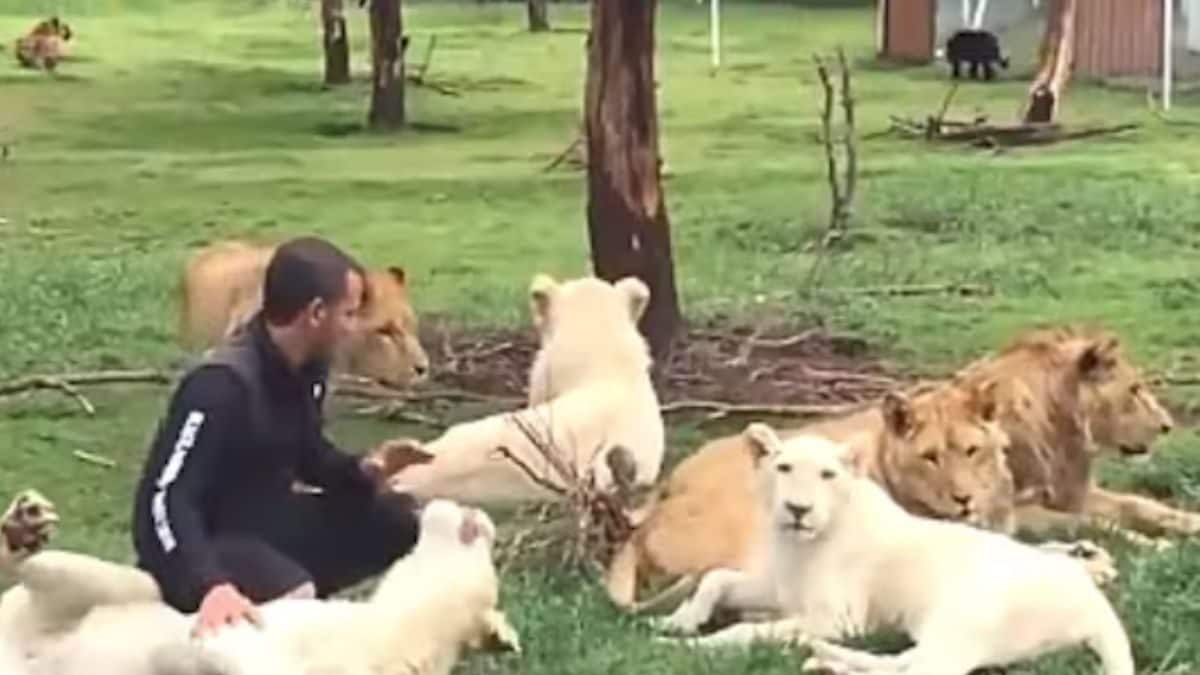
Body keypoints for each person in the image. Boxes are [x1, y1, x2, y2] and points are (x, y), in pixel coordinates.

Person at [131, 236, 425, 637]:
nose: (354, 326)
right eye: (350, 313)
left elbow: (308, 454)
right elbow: (164, 500)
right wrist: (208, 585)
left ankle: (291, 605)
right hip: (210, 541)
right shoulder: (219, 385)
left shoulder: (308, 369)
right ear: (316, 314)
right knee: (295, 592)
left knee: (399, 520)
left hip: (266, 522)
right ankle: (281, 617)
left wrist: (364, 469)